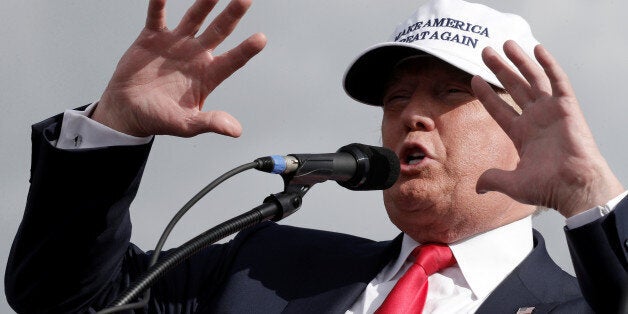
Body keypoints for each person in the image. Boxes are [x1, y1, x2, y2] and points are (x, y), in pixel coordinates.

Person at [5, 0, 627, 313]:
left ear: (522, 126)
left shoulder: (582, 305)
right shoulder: (264, 268)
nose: (412, 114)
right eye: (397, 97)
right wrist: (114, 128)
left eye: (450, 94)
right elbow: (67, 302)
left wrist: (586, 193)